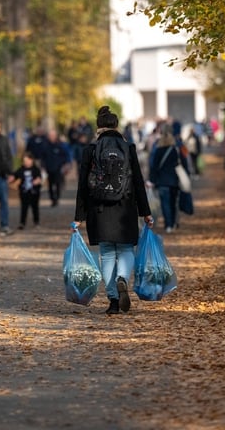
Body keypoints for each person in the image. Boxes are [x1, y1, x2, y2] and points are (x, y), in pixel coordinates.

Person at [73, 105, 153, 315]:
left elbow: (82, 185)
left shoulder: (90, 151)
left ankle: (113, 302)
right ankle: (122, 279)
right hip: (125, 208)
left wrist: (78, 217)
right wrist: (146, 212)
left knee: (107, 253)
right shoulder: (128, 148)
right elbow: (138, 181)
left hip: (99, 209)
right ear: (116, 126)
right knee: (126, 249)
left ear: (98, 127)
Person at [148, 124, 182, 234]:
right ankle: (172, 223)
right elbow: (181, 164)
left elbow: (154, 166)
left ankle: (168, 225)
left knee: (165, 204)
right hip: (174, 181)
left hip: (162, 181)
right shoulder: (175, 150)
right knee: (173, 203)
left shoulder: (158, 150)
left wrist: (151, 180)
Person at [12, 152, 42, 229]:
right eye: (24, 161)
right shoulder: (21, 170)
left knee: (35, 207)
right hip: (24, 192)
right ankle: (22, 223)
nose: (26, 163)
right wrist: (11, 179)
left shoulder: (36, 169)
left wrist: (37, 181)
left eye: (28, 161)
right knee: (24, 208)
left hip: (34, 192)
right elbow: (14, 176)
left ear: (31, 160)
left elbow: (40, 178)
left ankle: (36, 222)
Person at [41, 129, 71, 207]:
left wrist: (66, 165)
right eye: (50, 136)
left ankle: (57, 198)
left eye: (53, 135)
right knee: (50, 184)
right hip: (49, 168)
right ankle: (52, 198)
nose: (52, 137)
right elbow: (43, 157)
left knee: (58, 184)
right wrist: (43, 167)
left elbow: (65, 156)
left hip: (58, 167)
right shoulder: (45, 146)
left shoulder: (60, 145)